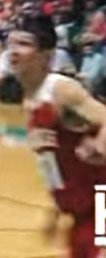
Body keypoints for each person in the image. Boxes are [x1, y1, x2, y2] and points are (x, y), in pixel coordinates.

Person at [10, 13, 106, 258]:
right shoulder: (30, 97)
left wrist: (100, 145)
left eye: (24, 44)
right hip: (81, 211)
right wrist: (57, 207)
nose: (14, 51)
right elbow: (53, 163)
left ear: (46, 56)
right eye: (11, 43)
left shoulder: (61, 90)